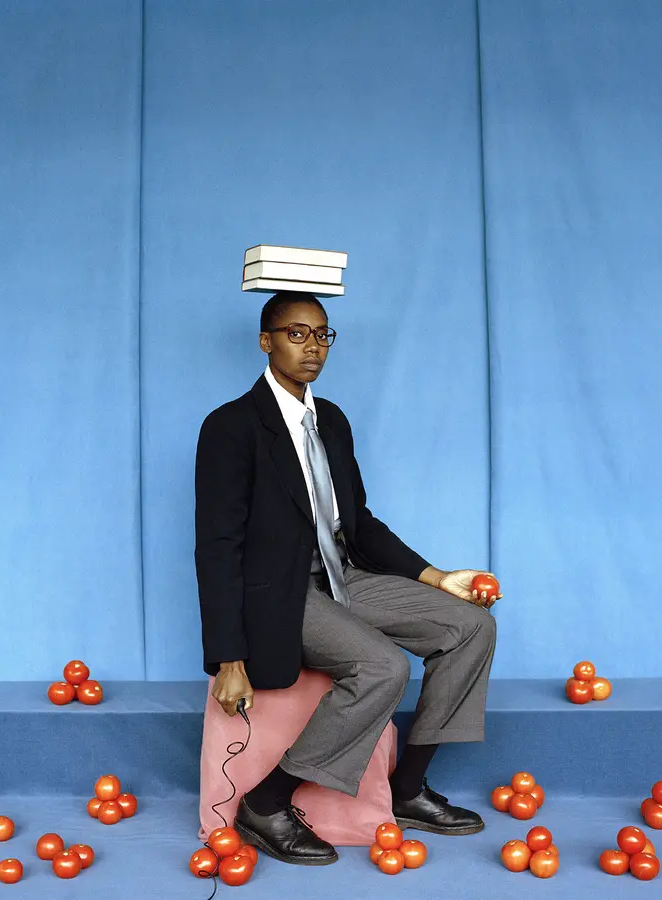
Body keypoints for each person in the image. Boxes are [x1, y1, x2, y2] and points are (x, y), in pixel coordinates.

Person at [194, 291, 499, 866]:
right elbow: (216, 549)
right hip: (281, 594)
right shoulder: (231, 426)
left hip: (345, 576)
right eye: (296, 333)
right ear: (266, 341)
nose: (311, 347)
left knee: (471, 626)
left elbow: (357, 522)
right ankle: (266, 802)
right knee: (384, 666)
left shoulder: (330, 420)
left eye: (322, 335)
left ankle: (408, 788)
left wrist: (438, 578)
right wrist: (227, 660)